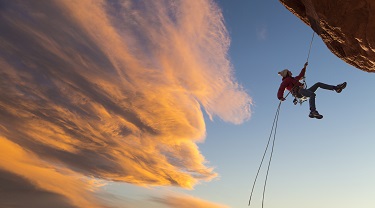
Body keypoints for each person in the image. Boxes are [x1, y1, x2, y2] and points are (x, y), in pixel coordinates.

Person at [277, 62, 346, 119]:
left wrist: (304, 67)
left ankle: (336, 88)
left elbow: (301, 75)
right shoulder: (286, 80)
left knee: (318, 84)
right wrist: (280, 97)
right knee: (312, 94)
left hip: (302, 91)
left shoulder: (294, 79)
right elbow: (281, 88)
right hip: (299, 92)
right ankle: (312, 111)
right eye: (289, 71)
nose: (290, 71)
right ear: (287, 73)